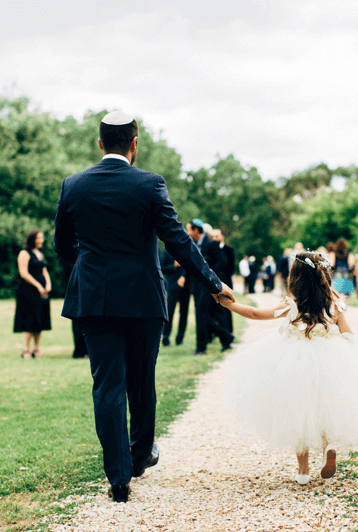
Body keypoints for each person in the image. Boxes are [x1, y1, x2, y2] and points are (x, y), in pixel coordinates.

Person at [54, 111, 235, 503]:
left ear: (100, 143)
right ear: (134, 143)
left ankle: (119, 479)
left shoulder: (73, 186)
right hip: (143, 299)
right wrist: (213, 282)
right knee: (140, 380)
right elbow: (178, 242)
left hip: (94, 300)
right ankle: (139, 457)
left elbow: (62, 247)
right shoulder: (150, 185)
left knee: (107, 386)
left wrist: (89, 270)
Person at [219, 251, 358, 485]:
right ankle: (329, 446)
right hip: (329, 361)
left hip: (295, 363)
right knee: (324, 408)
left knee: (298, 413)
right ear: (324, 276)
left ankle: (303, 471)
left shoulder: (292, 304)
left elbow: (256, 313)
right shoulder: (334, 302)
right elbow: (348, 334)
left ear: (294, 278)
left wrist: (229, 304)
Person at [185, 219, 234, 355]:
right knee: (207, 314)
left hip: (210, 284)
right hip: (197, 285)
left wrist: (209, 276)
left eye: (188, 229)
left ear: (196, 231)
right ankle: (226, 338)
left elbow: (222, 261)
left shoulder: (211, 244)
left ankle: (201, 348)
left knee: (203, 314)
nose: (187, 233)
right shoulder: (191, 245)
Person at [13, 229, 52, 359]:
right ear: (33, 239)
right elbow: (23, 273)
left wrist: (48, 284)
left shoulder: (39, 254)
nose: (42, 240)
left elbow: (44, 270)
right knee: (30, 319)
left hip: (42, 291)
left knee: (40, 319)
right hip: (29, 291)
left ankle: (36, 349)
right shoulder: (24, 253)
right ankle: (26, 349)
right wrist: (38, 286)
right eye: (40, 238)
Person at [160, 247, 190, 347]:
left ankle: (180, 339)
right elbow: (161, 268)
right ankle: (165, 338)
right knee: (170, 312)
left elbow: (190, 265)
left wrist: (183, 276)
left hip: (185, 286)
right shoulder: (166, 251)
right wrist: (174, 265)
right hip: (172, 286)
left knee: (184, 313)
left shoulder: (185, 249)